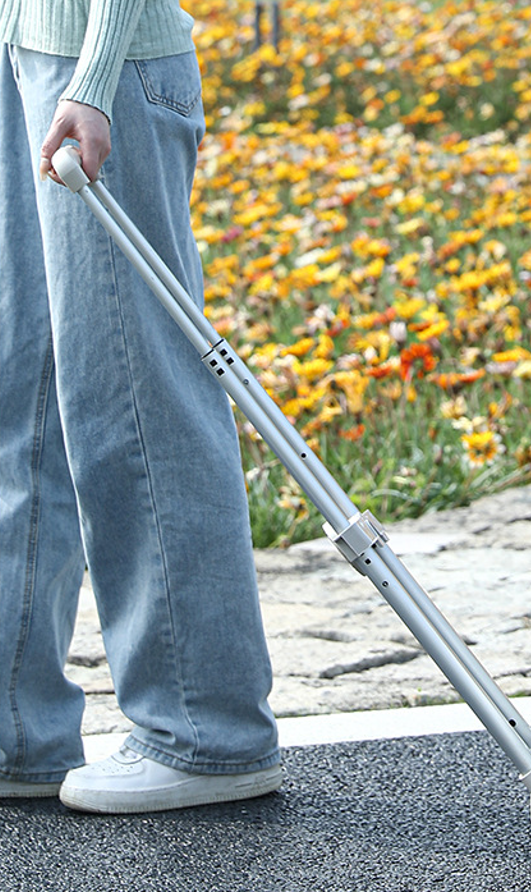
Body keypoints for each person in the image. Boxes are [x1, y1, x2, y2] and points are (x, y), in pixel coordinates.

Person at [0, 0, 282, 812]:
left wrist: (92, 79)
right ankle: (18, 735)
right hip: (24, 51)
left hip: (104, 68)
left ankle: (207, 731)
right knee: (24, 405)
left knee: (134, 403)